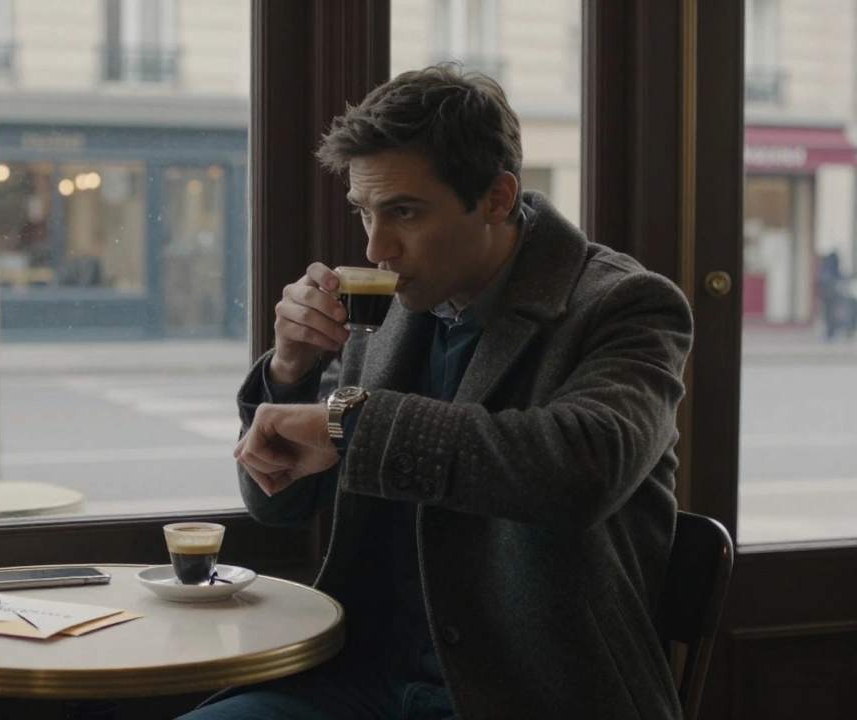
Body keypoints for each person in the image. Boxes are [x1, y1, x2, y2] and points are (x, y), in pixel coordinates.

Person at [184, 64, 693, 719]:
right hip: (362, 677)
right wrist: (291, 367)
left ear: (497, 197)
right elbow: (281, 504)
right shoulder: (393, 304)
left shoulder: (624, 304)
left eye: (405, 212)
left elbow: (580, 468)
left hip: (527, 691)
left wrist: (343, 422)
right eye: (365, 211)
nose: (377, 246)